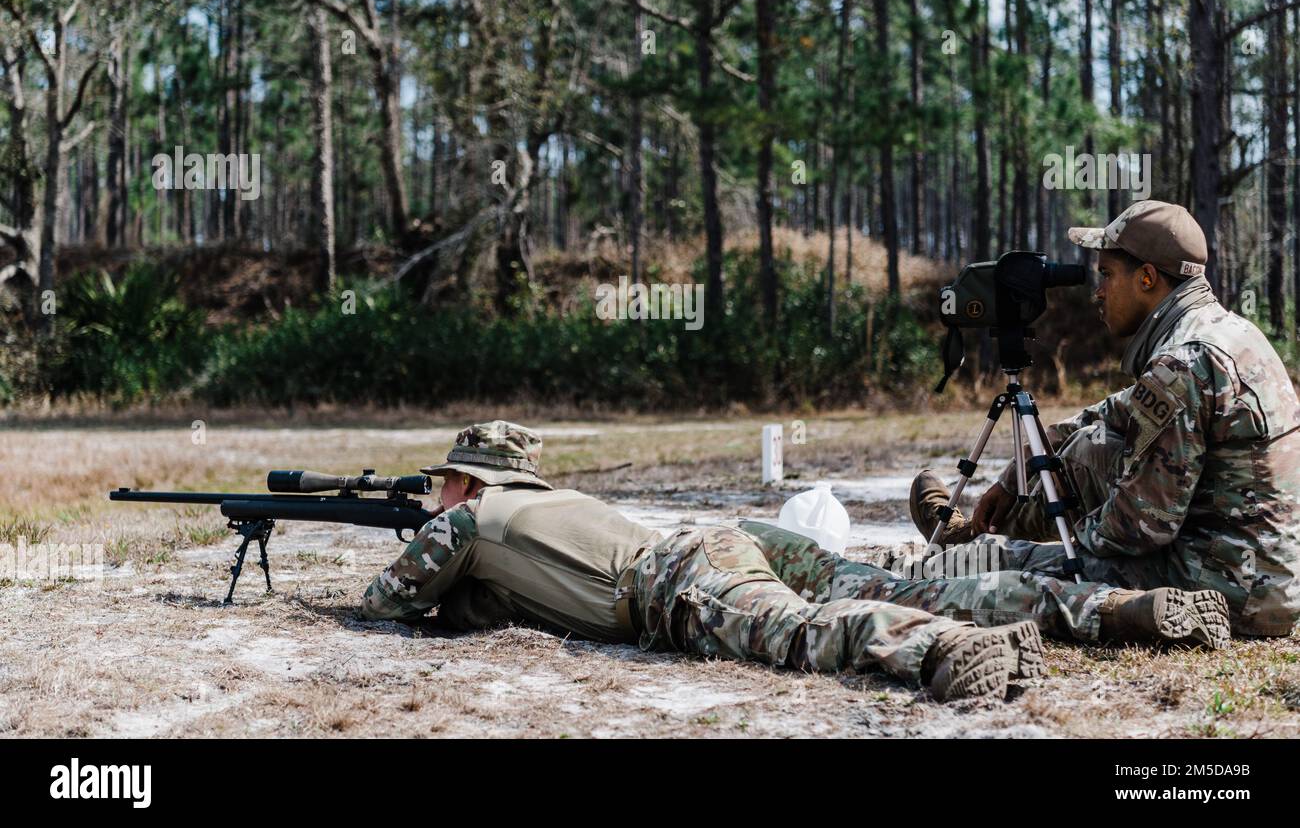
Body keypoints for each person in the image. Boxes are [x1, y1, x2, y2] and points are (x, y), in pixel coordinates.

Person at [360, 420, 1051, 701]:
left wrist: (428, 531)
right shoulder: (545, 505)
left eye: (444, 480)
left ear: (473, 484)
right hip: (706, 547)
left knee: (798, 633)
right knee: (865, 584)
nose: (437, 491)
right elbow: (494, 602)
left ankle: (946, 648)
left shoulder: (468, 520)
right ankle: (1053, 612)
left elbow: (383, 603)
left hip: (673, 586)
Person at [909, 199, 1300, 639]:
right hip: (1269, 574)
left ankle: (961, 555)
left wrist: (1063, 552)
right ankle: (976, 532)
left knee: (1020, 568)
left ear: (1147, 278)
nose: (1098, 292)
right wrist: (1016, 475)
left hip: (1225, 588)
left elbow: (1140, 526)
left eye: (1107, 276)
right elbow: (1117, 411)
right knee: (1087, 444)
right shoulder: (1228, 332)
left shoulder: (1180, 364)